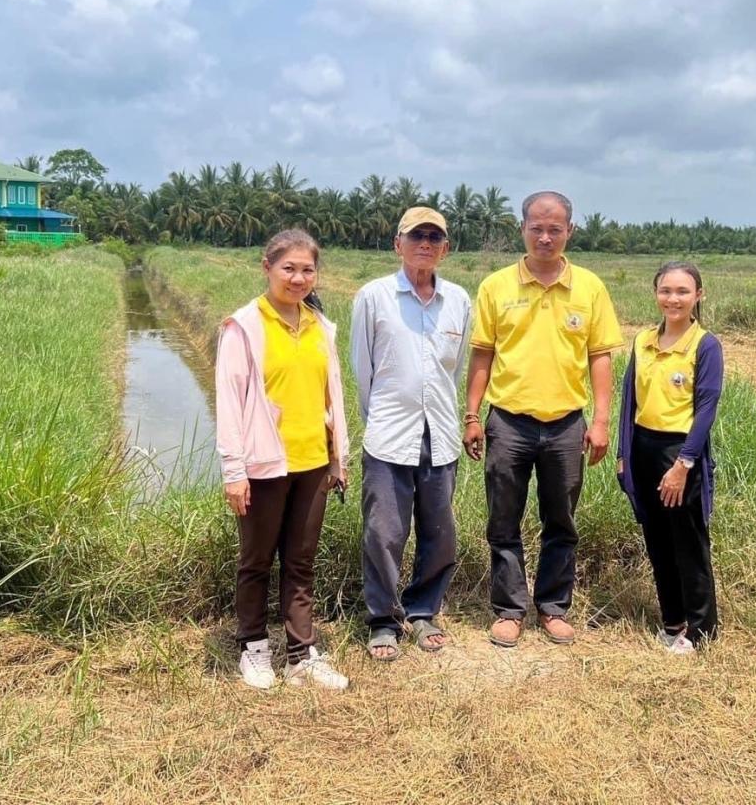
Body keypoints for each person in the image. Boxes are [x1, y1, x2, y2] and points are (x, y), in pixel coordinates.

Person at [463, 191, 624, 647]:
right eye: (537, 227)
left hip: (566, 424)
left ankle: (553, 606)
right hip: (508, 422)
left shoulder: (589, 287)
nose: (546, 236)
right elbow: (483, 354)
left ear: (570, 231)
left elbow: (600, 358)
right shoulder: (497, 286)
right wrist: (473, 415)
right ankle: (510, 609)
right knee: (503, 519)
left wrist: (601, 421)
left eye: (555, 228)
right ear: (523, 229)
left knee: (562, 521)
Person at [214, 228, 350, 690]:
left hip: (312, 461)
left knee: (301, 561)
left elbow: (331, 398)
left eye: (307, 269)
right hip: (262, 465)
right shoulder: (244, 328)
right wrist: (234, 472)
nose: (298, 278)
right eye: (288, 268)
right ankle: (253, 648)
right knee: (256, 560)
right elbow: (229, 403)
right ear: (266, 267)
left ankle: (300, 655)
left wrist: (338, 458)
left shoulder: (320, 326)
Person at [351, 206, 472, 661]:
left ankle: (422, 611)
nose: (425, 243)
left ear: (446, 247)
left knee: (440, 532)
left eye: (434, 237)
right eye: (416, 235)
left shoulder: (458, 300)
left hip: (439, 432)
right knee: (384, 532)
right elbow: (363, 369)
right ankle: (383, 620)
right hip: (388, 434)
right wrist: (378, 416)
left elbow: (452, 369)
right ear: (397, 244)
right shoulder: (374, 296)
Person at [616, 261, 724, 654]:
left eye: (682, 291)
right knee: (657, 538)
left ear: (699, 296)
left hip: (680, 453)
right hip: (642, 447)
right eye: (666, 290)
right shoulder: (643, 340)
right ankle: (672, 620)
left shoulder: (704, 344)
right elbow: (630, 400)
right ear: (655, 293)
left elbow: (706, 408)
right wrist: (622, 454)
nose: (673, 299)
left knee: (688, 541)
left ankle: (701, 630)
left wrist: (684, 464)